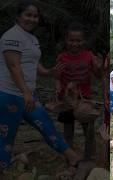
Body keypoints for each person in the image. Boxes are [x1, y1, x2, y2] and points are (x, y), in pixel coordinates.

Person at [0, 1, 81, 177]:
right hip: (9, 95)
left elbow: (34, 64)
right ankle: (5, 169)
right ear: (18, 16)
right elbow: (14, 67)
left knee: (46, 124)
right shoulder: (11, 36)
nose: (32, 19)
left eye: (35, 16)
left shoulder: (32, 39)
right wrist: (26, 93)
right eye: (28, 15)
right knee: (7, 136)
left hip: (27, 95)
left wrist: (49, 72)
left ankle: (73, 157)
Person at [55, 22, 102, 160]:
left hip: (84, 99)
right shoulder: (62, 57)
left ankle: (89, 156)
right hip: (67, 100)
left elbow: (98, 75)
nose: (75, 43)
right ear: (66, 40)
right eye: (71, 40)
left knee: (88, 130)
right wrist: (57, 88)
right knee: (68, 129)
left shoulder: (89, 56)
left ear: (84, 41)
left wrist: (99, 67)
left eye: (78, 40)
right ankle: (70, 155)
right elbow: (57, 77)